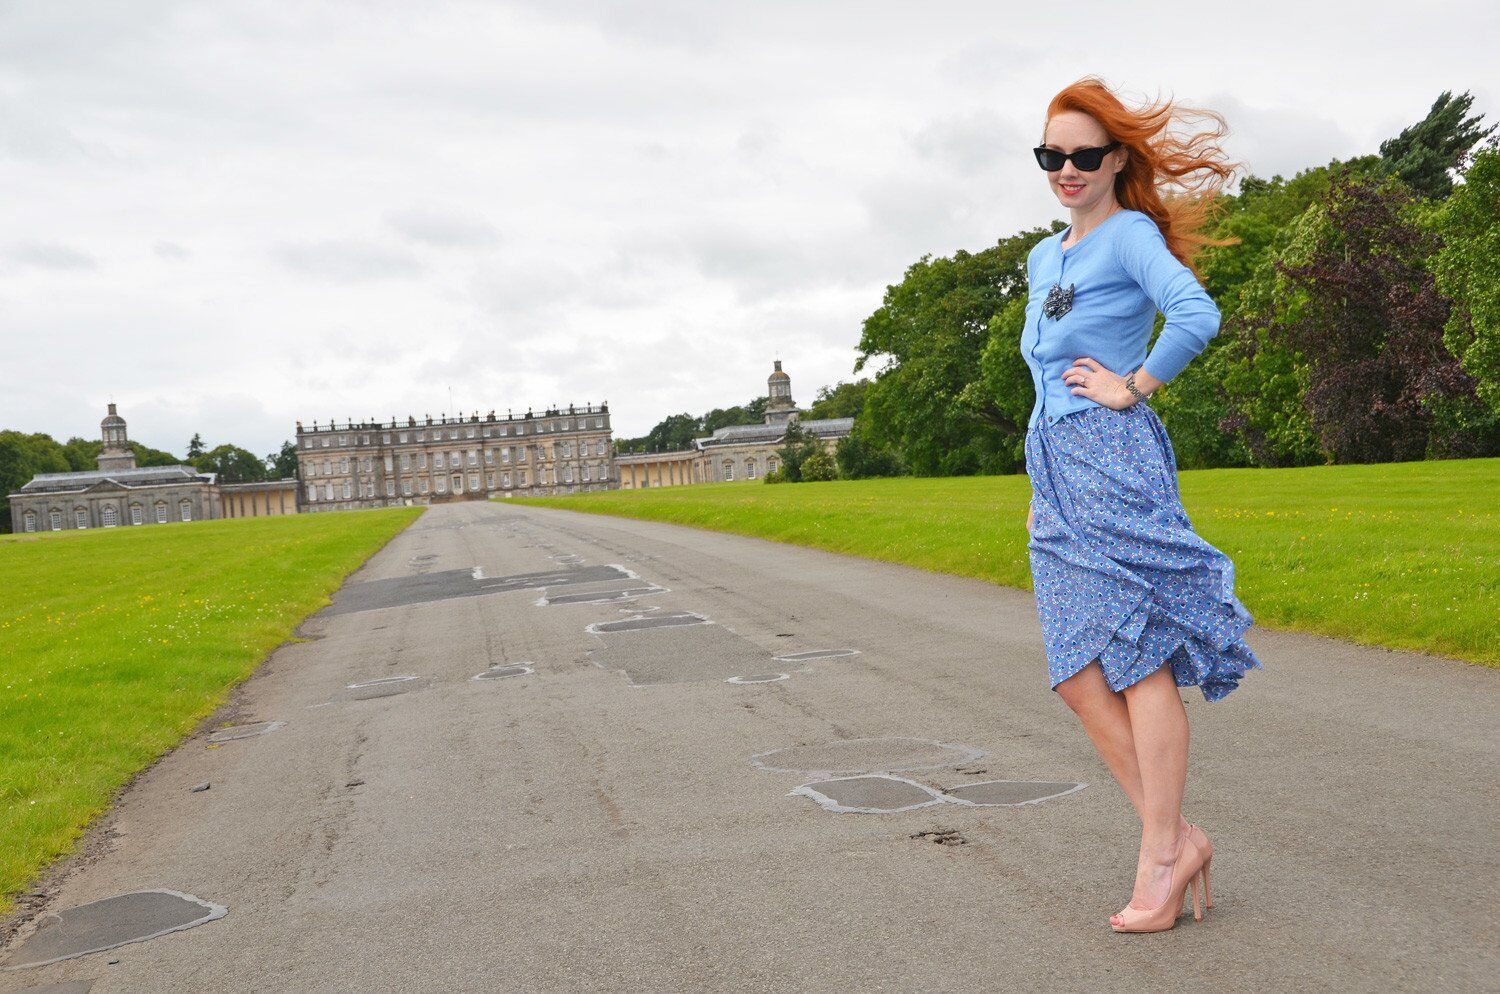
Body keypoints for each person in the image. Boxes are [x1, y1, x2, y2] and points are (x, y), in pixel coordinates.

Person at [1019, 77, 1263, 933]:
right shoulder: (1043, 256)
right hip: (1057, 473)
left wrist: (1136, 385)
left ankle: (1159, 853)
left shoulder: (1128, 236)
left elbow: (1196, 313)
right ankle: (1178, 835)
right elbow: (1044, 379)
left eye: (1084, 155)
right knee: (1076, 673)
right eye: (1051, 155)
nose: (1067, 169)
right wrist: (1040, 489)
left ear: (1118, 159)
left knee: (1139, 657)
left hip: (1111, 459)